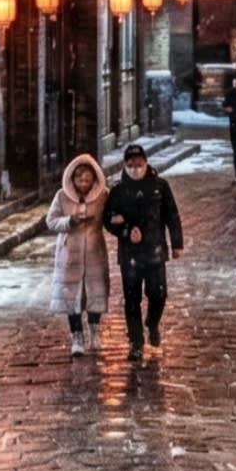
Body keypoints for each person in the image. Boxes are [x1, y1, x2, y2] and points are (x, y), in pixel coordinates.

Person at [102, 142, 183, 361]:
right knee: (132, 299)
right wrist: (125, 230)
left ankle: (152, 322)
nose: (135, 168)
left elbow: (171, 215)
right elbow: (108, 220)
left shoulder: (160, 186)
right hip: (130, 255)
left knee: (158, 294)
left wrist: (177, 244)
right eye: (130, 164)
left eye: (138, 163)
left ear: (146, 163)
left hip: (155, 252)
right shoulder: (118, 191)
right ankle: (136, 341)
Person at [44, 153, 111, 357]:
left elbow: (110, 217)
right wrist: (69, 222)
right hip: (69, 255)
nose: (84, 183)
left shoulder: (103, 196)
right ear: (72, 179)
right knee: (71, 296)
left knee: (94, 293)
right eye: (80, 179)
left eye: (88, 180)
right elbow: (51, 221)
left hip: (94, 253)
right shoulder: (61, 197)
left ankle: (94, 330)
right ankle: (76, 335)